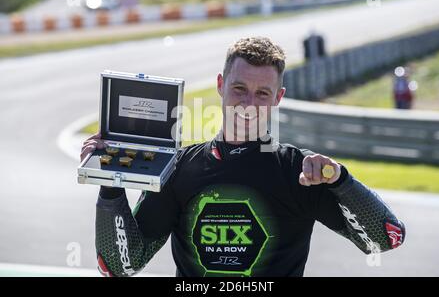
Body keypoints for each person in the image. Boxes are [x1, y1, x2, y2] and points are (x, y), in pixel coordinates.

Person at [81, 37, 405, 277]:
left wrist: (340, 180)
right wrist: (111, 183)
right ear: (220, 86)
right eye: (239, 89)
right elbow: (119, 267)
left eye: (262, 93)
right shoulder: (179, 167)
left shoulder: (301, 172)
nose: (248, 103)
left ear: (278, 97)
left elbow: (387, 238)